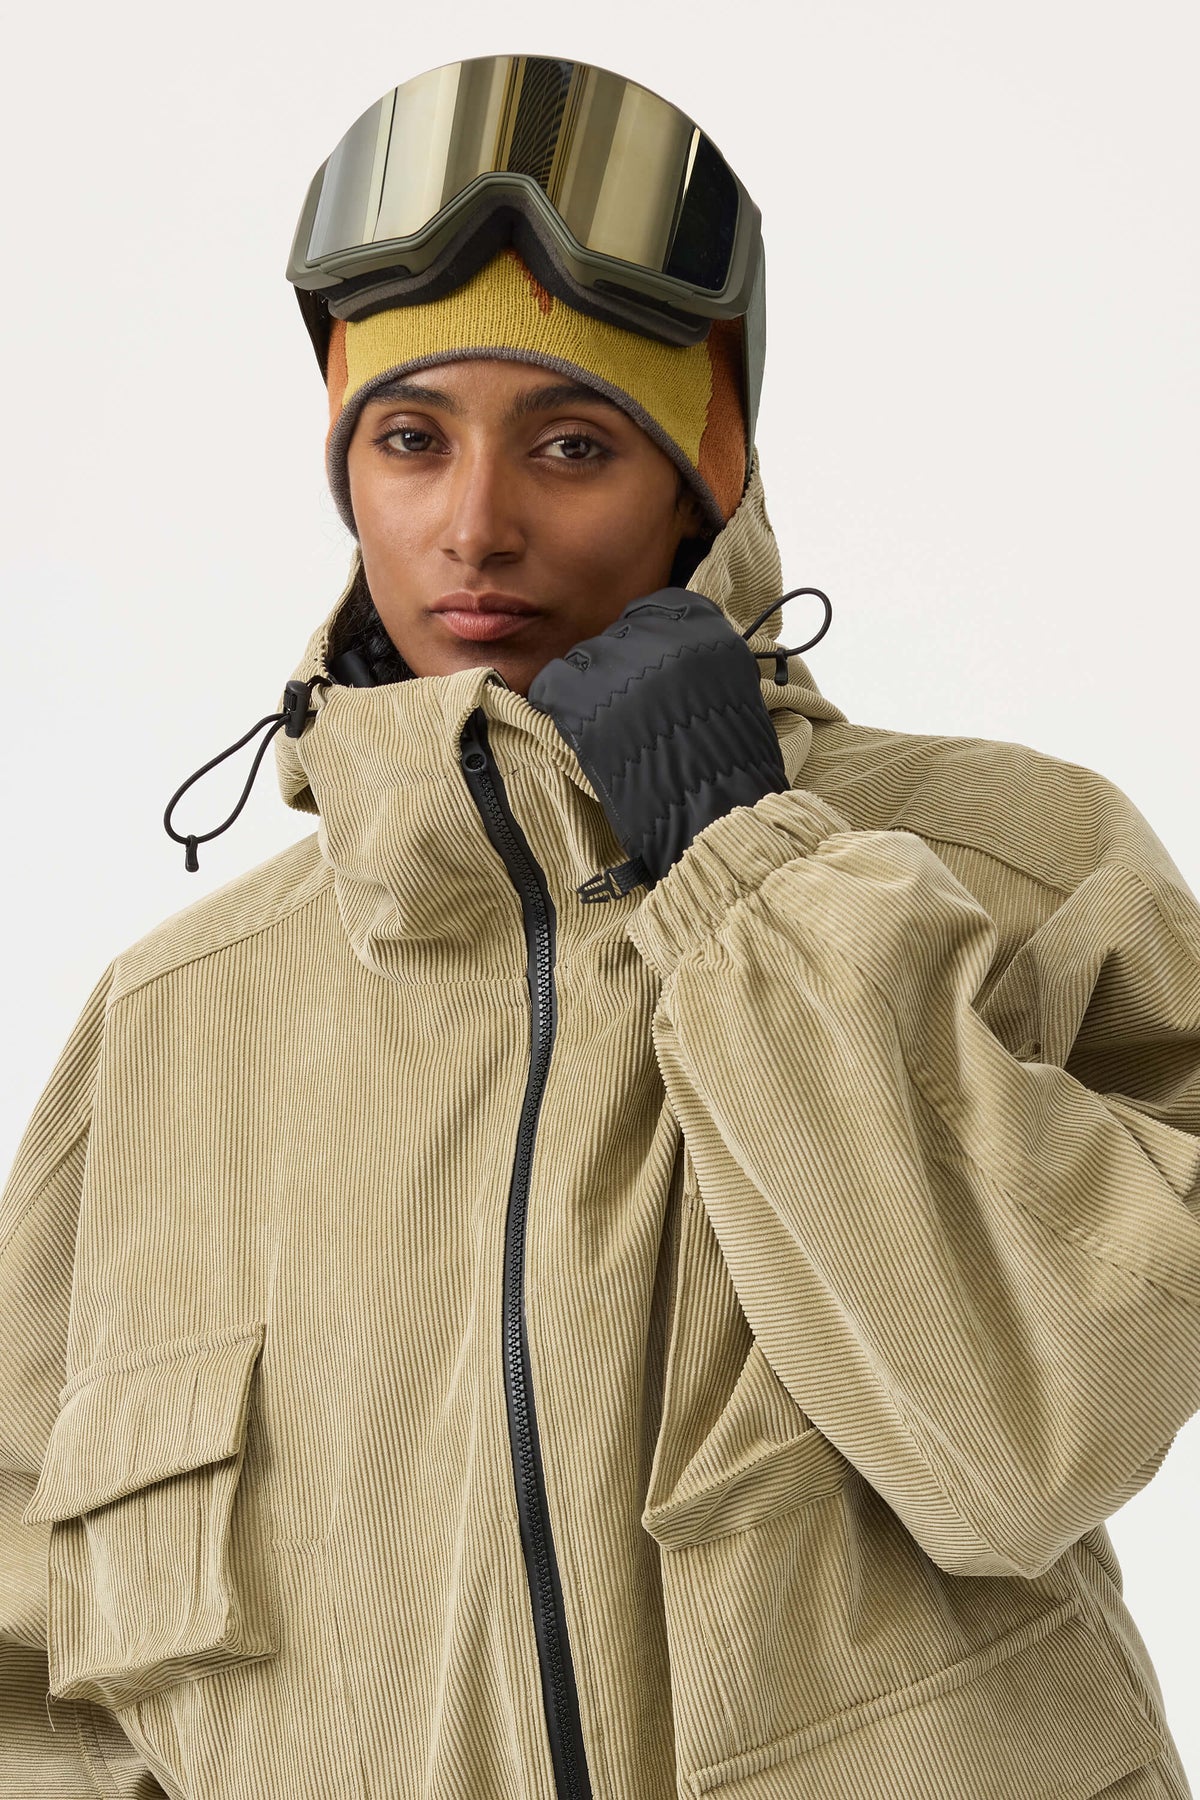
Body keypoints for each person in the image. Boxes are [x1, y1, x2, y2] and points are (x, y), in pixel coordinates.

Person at [2, 51, 1199, 1800]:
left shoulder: (1011, 862)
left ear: (703, 472)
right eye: (411, 440)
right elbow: (29, 1675)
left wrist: (744, 875)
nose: (476, 527)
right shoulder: (178, 1020)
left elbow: (1023, 1440)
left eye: (574, 444)